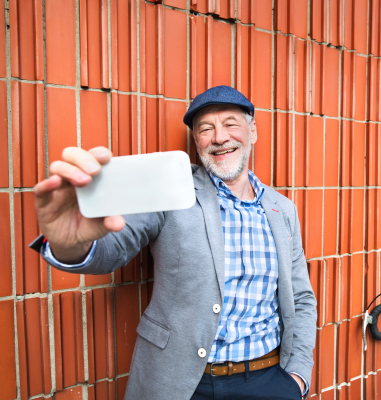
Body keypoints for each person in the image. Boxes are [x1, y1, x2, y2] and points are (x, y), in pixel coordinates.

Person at [30, 86, 317, 400]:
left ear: (253, 131)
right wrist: (70, 244)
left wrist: (297, 376)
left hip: (268, 382)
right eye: (206, 129)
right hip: (181, 384)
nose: (220, 137)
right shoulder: (171, 191)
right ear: (196, 141)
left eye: (231, 124)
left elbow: (301, 297)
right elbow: (114, 246)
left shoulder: (282, 209)